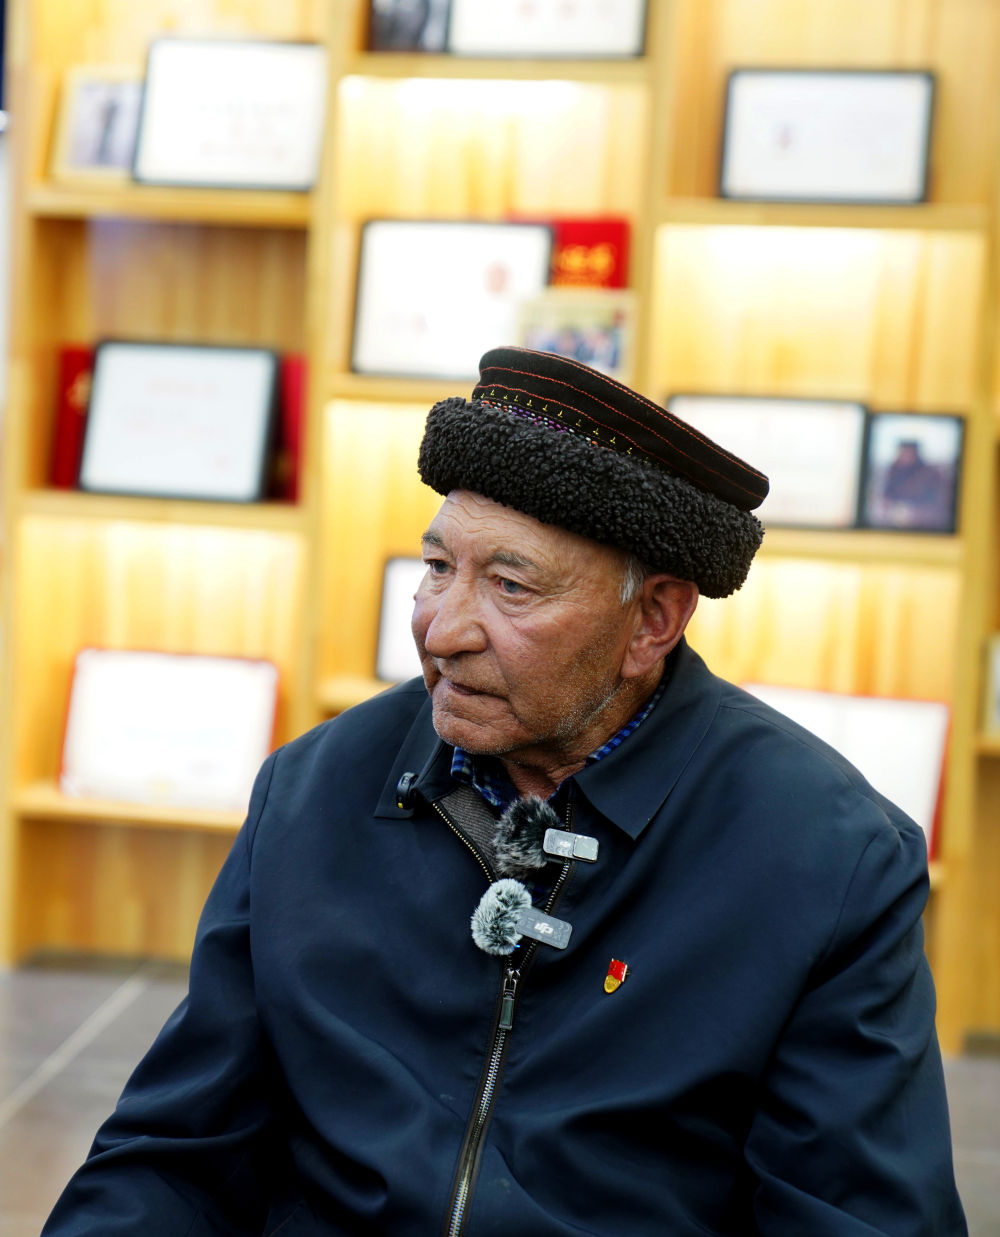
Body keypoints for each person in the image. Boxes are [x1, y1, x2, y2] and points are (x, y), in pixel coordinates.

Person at [43, 347, 966, 1236]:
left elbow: (856, 1213)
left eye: (511, 585)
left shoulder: (826, 860)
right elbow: (175, 1153)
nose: (442, 629)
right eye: (437, 568)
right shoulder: (314, 789)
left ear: (653, 618)